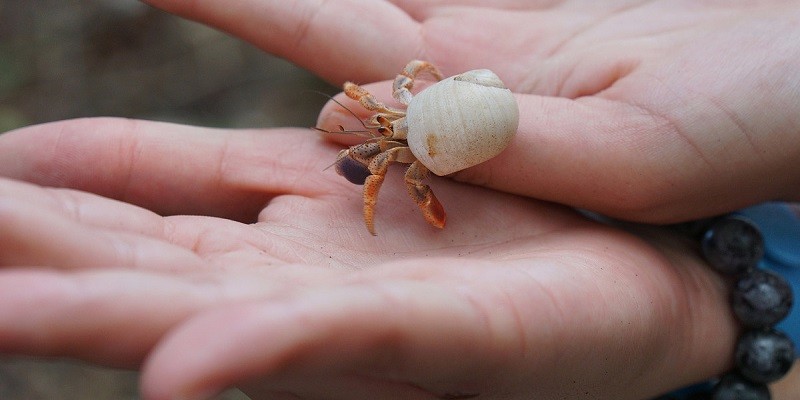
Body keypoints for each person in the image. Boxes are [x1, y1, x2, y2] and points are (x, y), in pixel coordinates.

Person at [0, 1, 798, 399]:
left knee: (394, 163)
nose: (369, 123)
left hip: (455, 123)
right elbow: (383, 97)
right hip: (449, 120)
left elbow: (390, 115)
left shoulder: (405, 135)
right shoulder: (400, 112)